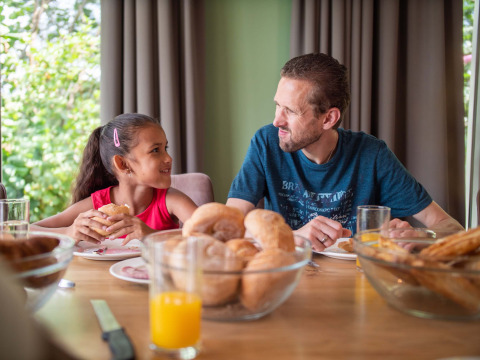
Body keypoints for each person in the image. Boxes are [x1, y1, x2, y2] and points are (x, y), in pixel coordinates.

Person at [226, 53, 464, 252]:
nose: (277, 121)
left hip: (356, 285)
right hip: (288, 279)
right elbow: (229, 227)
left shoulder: (372, 154)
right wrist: (293, 236)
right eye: (278, 105)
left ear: (329, 118)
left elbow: (450, 227)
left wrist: (418, 235)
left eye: (290, 111)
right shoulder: (266, 143)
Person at [32, 113, 197, 245]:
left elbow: (211, 235)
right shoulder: (97, 204)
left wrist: (152, 236)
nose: (168, 158)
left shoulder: (171, 200)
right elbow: (26, 231)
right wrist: (68, 232)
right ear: (123, 164)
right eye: (155, 150)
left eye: (165, 148)